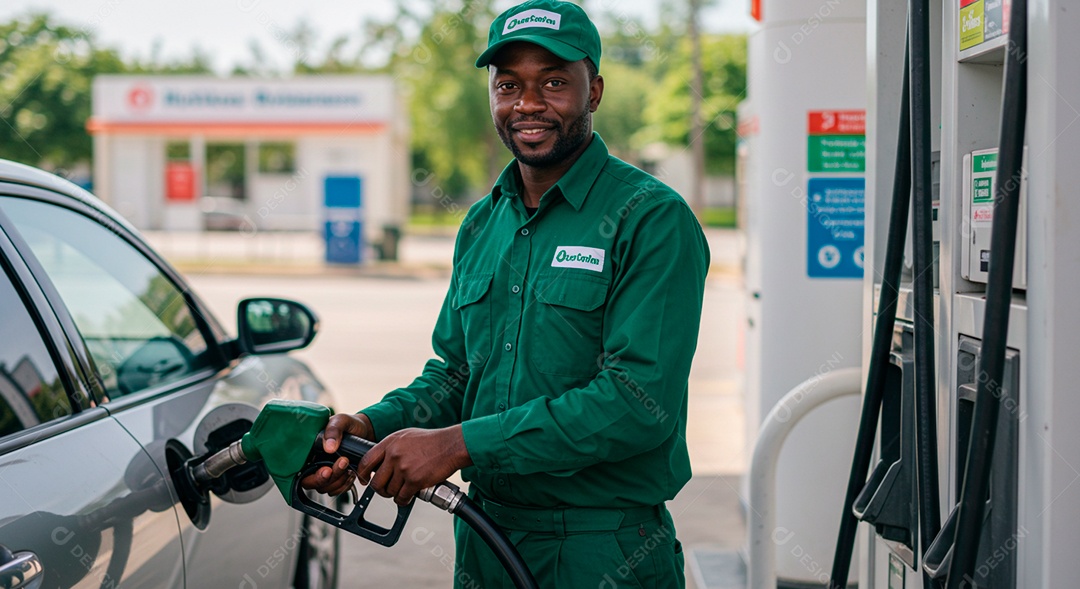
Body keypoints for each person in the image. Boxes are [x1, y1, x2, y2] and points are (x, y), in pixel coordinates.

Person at [301, 1, 709, 586]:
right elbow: (457, 372)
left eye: (553, 83)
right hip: (483, 539)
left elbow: (635, 403)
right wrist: (372, 428)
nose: (528, 104)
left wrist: (459, 444)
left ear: (593, 91)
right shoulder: (481, 223)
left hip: (604, 550)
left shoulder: (650, 219)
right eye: (509, 84)